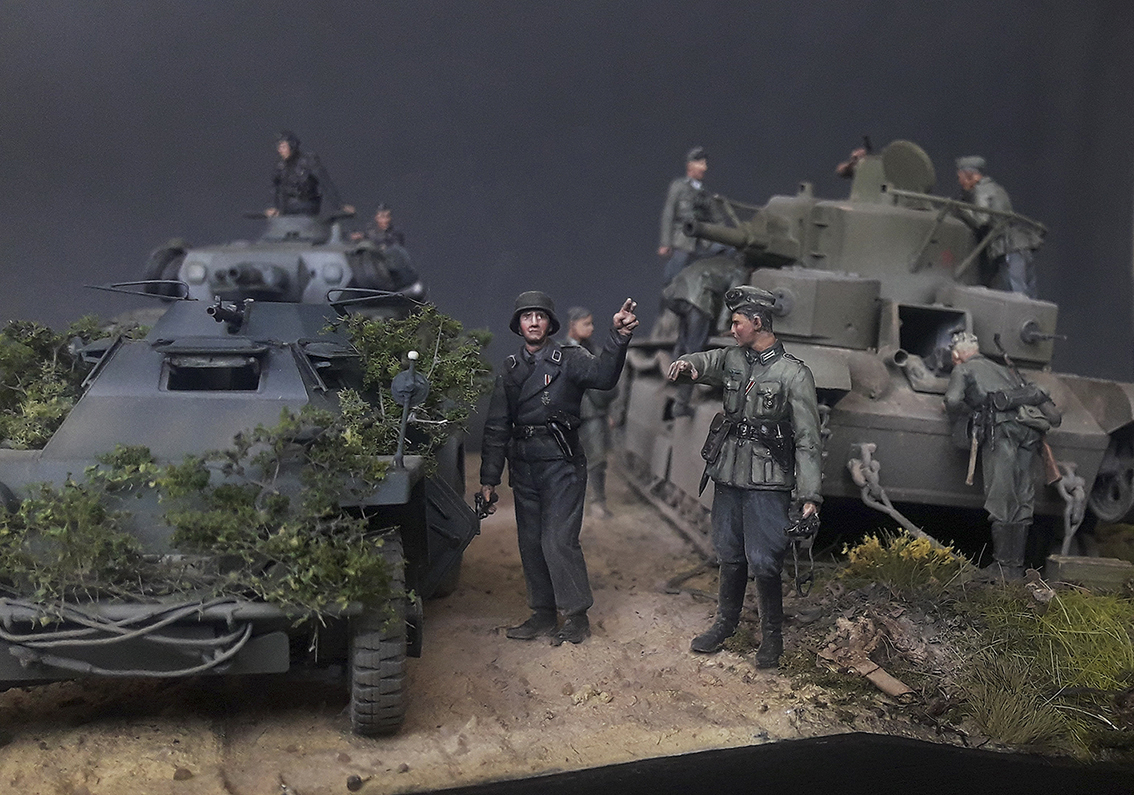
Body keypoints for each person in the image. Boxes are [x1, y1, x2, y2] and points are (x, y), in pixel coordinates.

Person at [666, 286, 822, 668]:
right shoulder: (733, 358)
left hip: (768, 480)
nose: (732, 329)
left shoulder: (794, 374)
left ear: (757, 322)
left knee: (765, 560)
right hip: (729, 473)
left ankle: (772, 637)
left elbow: (808, 439)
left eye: (737, 322)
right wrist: (687, 364)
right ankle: (725, 623)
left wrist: (809, 496)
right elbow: (706, 361)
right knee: (728, 553)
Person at [480, 292, 638, 646]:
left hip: (561, 464)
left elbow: (604, 376)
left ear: (550, 324)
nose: (534, 322)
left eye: (540, 316)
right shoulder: (511, 368)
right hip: (525, 466)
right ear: (519, 325)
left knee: (558, 541)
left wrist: (619, 337)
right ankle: (542, 613)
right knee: (531, 543)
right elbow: (496, 426)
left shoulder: (570, 358)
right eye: (527, 317)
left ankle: (576, 615)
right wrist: (489, 479)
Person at [943, 331, 1061, 579]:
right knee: (1023, 496)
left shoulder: (963, 369)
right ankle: (1015, 566)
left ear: (955, 355)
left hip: (1001, 432)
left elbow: (952, 401)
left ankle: (1003, 566)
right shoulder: (1003, 369)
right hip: (1028, 431)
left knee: (1001, 496)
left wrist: (967, 415)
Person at [661, 255, 750, 417]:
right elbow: (731, 300)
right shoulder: (739, 271)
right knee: (694, 354)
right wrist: (724, 326)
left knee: (684, 343)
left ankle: (674, 381)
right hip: (697, 299)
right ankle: (681, 404)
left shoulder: (718, 262)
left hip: (673, 294)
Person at [954, 156, 1041, 298]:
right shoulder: (996, 188)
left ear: (969, 175)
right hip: (1019, 244)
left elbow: (981, 219)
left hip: (1007, 247)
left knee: (1017, 295)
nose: (960, 181)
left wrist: (962, 209)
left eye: (961, 177)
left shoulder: (981, 190)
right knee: (1028, 294)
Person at [562, 307, 619, 518]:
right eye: (585, 324)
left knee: (597, 458)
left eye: (591, 323)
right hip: (567, 415)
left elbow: (606, 381)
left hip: (593, 412)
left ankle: (598, 501)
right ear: (572, 325)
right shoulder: (559, 351)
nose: (591, 328)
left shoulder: (594, 350)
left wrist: (609, 412)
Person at [658, 146, 724, 287]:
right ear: (690, 165)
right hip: (683, 240)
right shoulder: (678, 187)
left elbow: (717, 218)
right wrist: (665, 243)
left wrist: (723, 236)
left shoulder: (704, 192)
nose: (704, 168)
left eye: (705, 164)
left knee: (726, 252)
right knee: (674, 271)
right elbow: (668, 214)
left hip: (703, 241)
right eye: (700, 164)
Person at [266, 131, 351, 219]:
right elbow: (273, 187)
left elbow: (325, 183)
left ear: (292, 146)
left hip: (308, 206)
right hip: (288, 207)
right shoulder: (280, 166)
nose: (280, 150)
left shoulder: (308, 161)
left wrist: (339, 205)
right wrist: (273, 206)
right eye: (279, 147)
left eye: (283, 147)